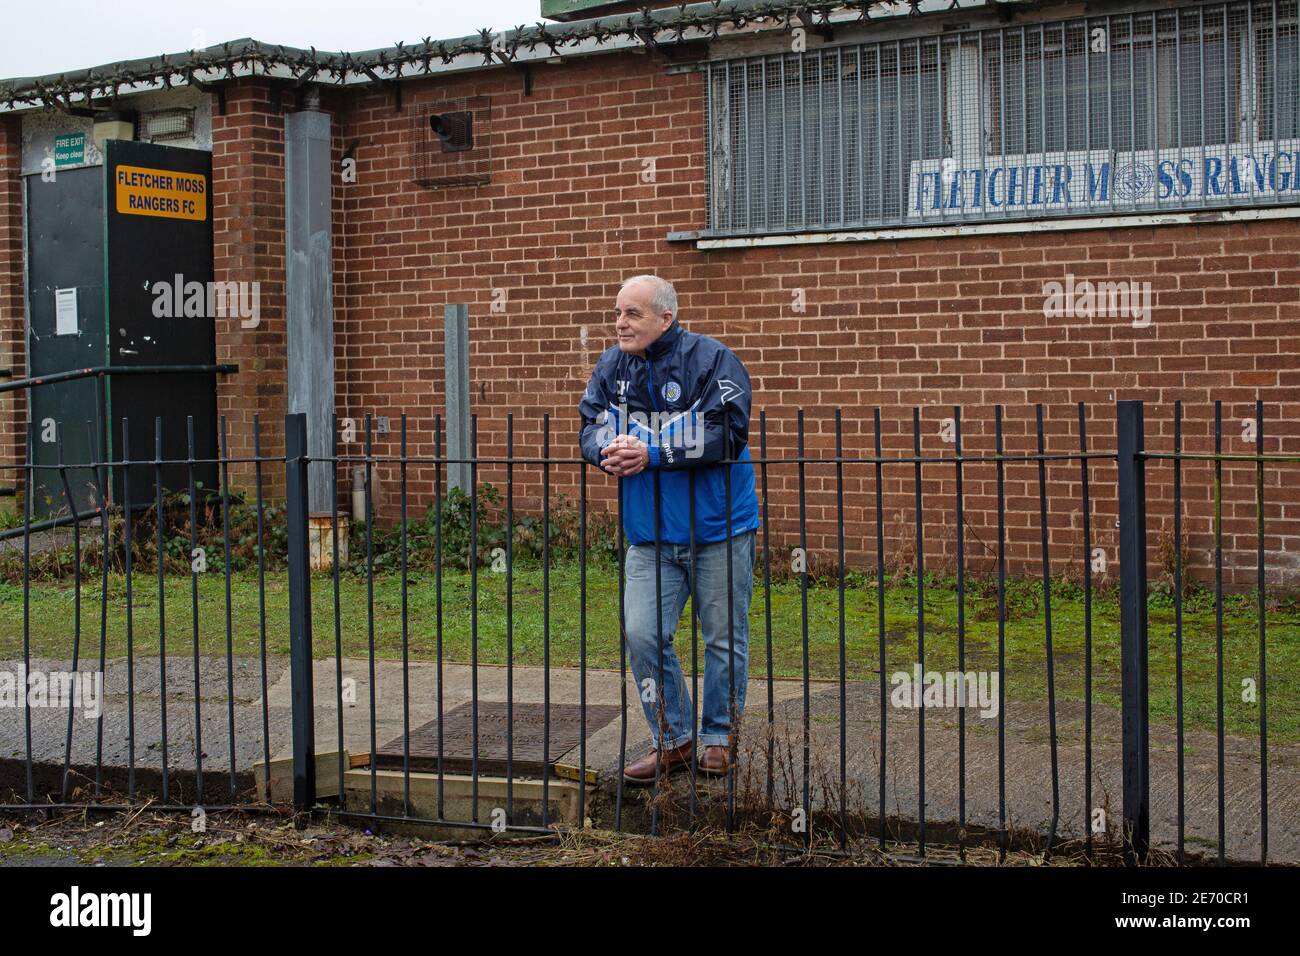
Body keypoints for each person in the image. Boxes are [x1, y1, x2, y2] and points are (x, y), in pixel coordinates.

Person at [578, 274, 759, 783]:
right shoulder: (613, 367)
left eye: (632, 313)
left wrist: (653, 454)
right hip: (650, 536)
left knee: (723, 638)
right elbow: (589, 424)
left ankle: (719, 736)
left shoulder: (711, 360)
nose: (620, 322)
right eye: (617, 312)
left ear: (666, 318)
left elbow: (728, 433)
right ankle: (673, 738)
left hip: (719, 530)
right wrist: (604, 451)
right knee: (642, 634)